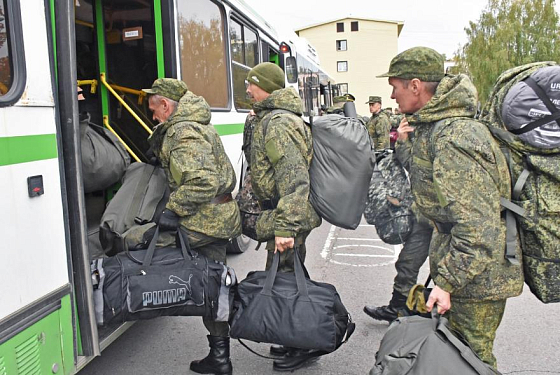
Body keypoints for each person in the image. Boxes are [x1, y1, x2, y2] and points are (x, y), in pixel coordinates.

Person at [376, 47, 523, 369]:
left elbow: (479, 227)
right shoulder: (434, 128)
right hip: (464, 265)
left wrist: (447, 283)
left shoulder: (456, 135)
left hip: (478, 277)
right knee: (454, 356)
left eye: (395, 85)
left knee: (471, 359)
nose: (391, 94)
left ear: (415, 86)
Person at [142, 78, 241, 375]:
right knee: (214, 286)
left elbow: (202, 180)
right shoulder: (193, 125)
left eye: (153, 109)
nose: (153, 116)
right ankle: (220, 358)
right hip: (216, 219)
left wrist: (173, 210)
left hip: (205, 221)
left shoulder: (183, 132)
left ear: (165, 105)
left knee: (138, 243)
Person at [245, 62, 322, 372]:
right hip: (285, 213)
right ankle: (294, 340)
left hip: (288, 214)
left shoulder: (277, 123)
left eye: (252, 84)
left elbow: (294, 179)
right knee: (286, 278)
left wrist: (285, 228)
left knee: (287, 281)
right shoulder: (272, 119)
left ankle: (303, 344)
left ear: (266, 86)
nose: (248, 89)